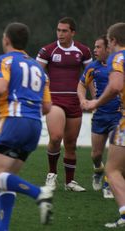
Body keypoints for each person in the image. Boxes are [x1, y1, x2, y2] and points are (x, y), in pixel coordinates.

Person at [0, 22, 53, 230]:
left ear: (6, 39)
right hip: (34, 125)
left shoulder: (5, 60)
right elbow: (47, 107)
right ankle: (3, 227)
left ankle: (39, 193)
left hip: (14, 121)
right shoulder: (38, 67)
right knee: (6, 178)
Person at [36, 17, 92, 192]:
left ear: (72, 32)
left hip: (75, 102)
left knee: (70, 144)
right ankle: (51, 174)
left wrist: (96, 99)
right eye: (58, 30)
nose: (60, 34)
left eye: (64, 31)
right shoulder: (48, 50)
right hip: (55, 101)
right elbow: (36, 72)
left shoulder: (83, 51)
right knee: (55, 137)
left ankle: (70, 182)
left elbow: (90, 77)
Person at [84, 22, 125, 228]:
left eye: (108, 42)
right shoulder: (95, 66)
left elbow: (116, 85)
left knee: (113, 170)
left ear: (114, 41)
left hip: (123, 118)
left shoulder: (119, 58)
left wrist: (96, 102)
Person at [77, 35, 121, 198]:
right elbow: (81, 84)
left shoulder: (118, 66)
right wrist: (83, 99)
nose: (94, 50)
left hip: (118, 116)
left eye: (98, 47)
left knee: (113, 155)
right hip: (100, 115)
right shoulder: (92, 68)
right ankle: (98, 170)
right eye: (94, 47)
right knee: (96, 154)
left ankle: (109, 184)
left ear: (108, 48)